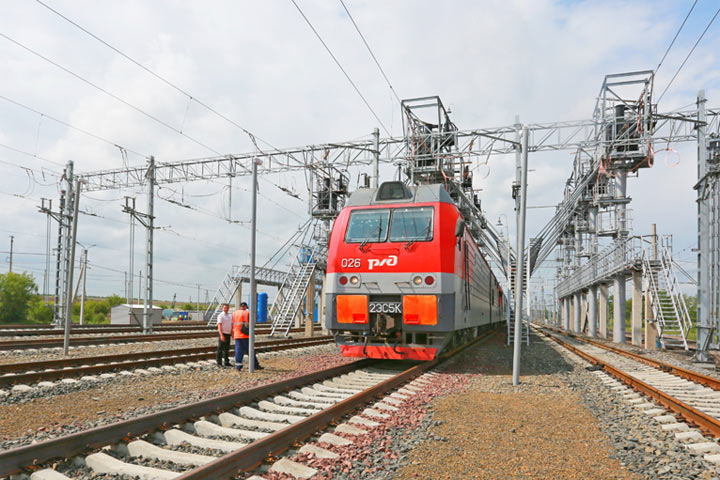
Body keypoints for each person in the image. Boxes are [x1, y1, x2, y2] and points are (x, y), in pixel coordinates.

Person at [231, 302, 263, 371]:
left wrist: (233, 334)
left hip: (237, 334)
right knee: (250, 350)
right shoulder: (247, 312)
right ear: (245, 307)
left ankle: (238, 366)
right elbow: (251, 323)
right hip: (245, 335)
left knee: (238, 351)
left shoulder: (234, 313)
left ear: (240, 307)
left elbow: (233, 324)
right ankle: (255, 365)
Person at [216, 303, 232, 367]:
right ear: (222, 308)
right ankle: (219, 363)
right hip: (223, 333)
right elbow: (219, 326)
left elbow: (230, 325)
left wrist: (232, 333)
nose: (226, 309)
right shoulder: (220, 316)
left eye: (227, 308)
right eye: (225, 308)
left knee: (227, 349)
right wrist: (221, 335)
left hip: (228, 334)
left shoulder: (229, 316)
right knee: (220, 348)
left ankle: (226, 362)